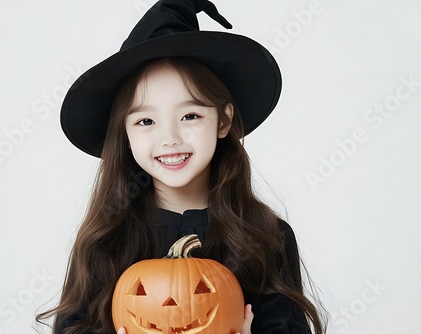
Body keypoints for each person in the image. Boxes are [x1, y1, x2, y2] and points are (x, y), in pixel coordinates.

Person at [36, 0, 326, 333]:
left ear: (223, 121)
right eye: (146, 121)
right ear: (126, 134)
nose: (170, 137)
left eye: (190, 116)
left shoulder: (267, 237)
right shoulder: (104, 242)